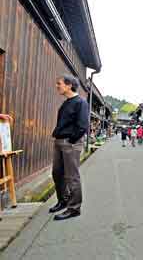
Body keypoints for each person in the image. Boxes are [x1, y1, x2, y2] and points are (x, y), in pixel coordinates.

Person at [50, 75, 89, 221]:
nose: (57, 86)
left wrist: (71, 140)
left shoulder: (80, 102)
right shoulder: (66, 103)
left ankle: (74, 208)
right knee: (57, 173)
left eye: (59, 83)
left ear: (68, 85)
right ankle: (63, 200)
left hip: (70, 143)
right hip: (59, 141)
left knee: (72, 176)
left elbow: (82, 126)